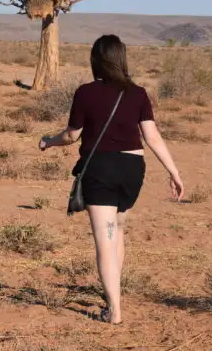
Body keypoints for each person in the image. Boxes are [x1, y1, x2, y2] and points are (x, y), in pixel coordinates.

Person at [39, 34, 184, 325]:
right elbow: (152, 136)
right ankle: (114, 296)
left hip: (101, 170)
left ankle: (114, 311)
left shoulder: (85, 93)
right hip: (133, 169)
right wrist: (174, 171)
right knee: (116, 231)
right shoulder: (138, 93)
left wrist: (48, 141)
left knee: (105, 241)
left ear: (96, 60)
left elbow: (71, 135)